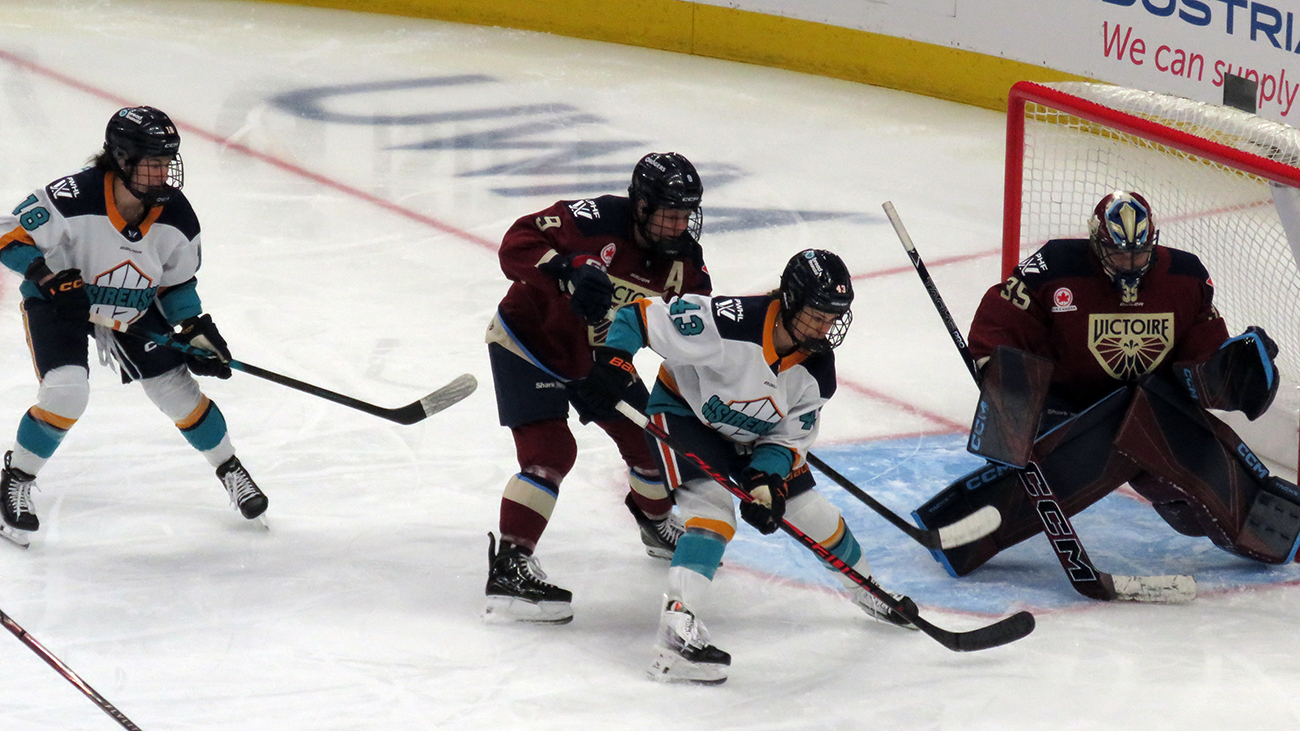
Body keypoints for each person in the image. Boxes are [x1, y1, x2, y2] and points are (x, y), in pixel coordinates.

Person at [915, 190, 1300, 577]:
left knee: (1195, 482)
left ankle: (1283, 532)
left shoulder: (1186, 277)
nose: (1130, 264)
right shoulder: (1054, 267)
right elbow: (1004, 320)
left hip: (1153, 407)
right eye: (1119, 254)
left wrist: (1230, 369)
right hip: (1067, 405)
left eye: (1139, 253)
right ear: (1098, 242)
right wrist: (1000, 377)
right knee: (1077, 457)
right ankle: (957, 532)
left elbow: (1202, 356)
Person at [576, 249, 913, 685]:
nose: (825, 327)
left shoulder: (818, 371)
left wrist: (766, 483)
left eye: (833, 318)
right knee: (714, 515)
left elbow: (786, 438)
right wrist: (615, 363)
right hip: (684, 413)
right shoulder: (729, 322)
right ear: (790, 300)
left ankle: (868, 589)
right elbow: (638, 317)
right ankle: (676, 632)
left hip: (750, 435)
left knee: (814, 514)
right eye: (817, 314)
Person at [0, 106, 267, 545]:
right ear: (122, 160)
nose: (164, 174)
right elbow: (9, 236)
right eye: (153, 163)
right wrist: (47, 278)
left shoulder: (177, 217)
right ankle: (17, 478)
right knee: (66, 393)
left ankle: (230, 468)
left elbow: (177, 285)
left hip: (130, 305)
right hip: (61, 302)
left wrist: (194, 327)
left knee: (178, 393)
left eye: (167, 162)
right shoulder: (71, 197)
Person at [483, 152, 712, 624]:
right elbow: (516, 243)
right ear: (642, 206)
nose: (678, 225)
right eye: (669, 213)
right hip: (530, 343)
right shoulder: (593, 220)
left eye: (685, 214)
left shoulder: (684, 260)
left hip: (602, 361)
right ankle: (509, 568)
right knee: (550, 452)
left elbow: (692, 332)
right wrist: (564, 268)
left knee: (653, 446)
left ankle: (653, 524)